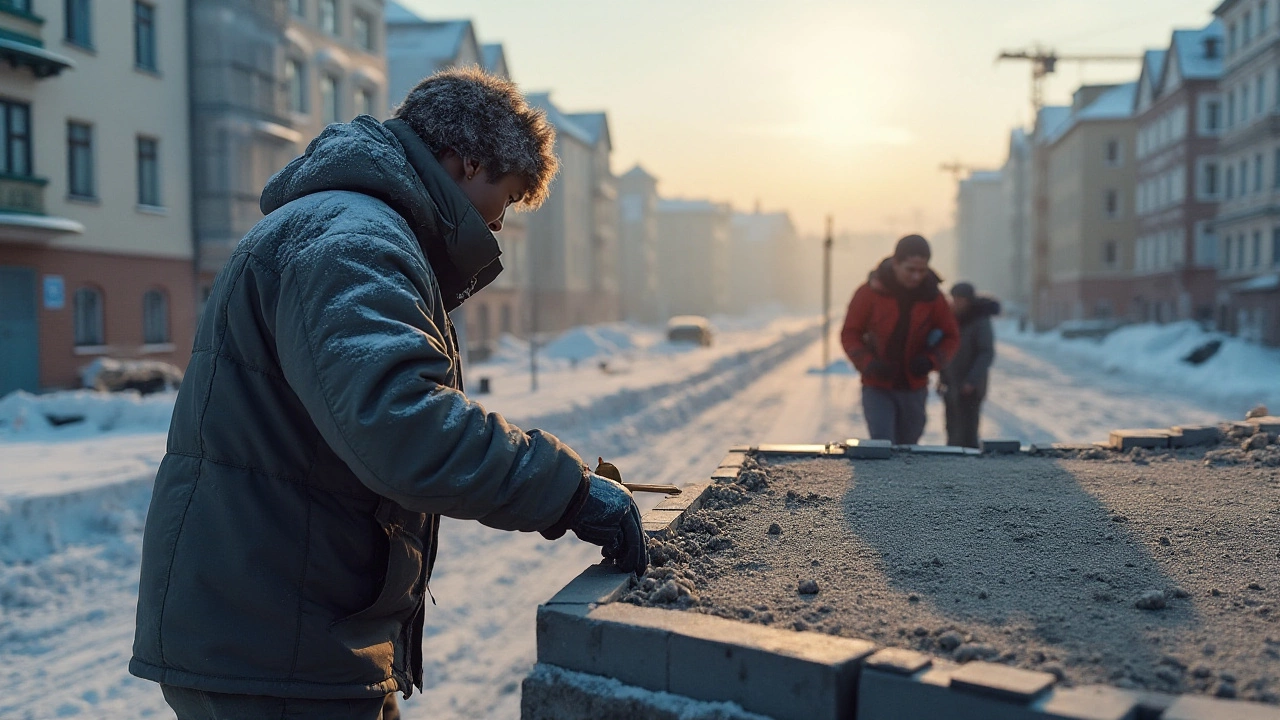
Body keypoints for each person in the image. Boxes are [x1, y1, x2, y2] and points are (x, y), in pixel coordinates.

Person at [129, 68, 648, 720]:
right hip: (275, 650)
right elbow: (401, 425)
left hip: (282, 633)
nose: (500, 222)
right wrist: (568, 491)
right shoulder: (353, 241)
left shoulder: (347, 227)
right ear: (466, 161)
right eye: (506, 198)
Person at [840, 234, 959, 445]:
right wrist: (868, 363)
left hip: (914, 387)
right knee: (883, 444)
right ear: (896, 263)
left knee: (909, 447)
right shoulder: (869, 293)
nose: (916, 276)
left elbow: (951, 337)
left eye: (922, 271)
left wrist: (931, 361)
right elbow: (850, 333)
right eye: (910, 269)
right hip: (877, 384)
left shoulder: (934, 297)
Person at [939, 282, 1000, 448]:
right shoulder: (951, 319)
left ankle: (969, 468)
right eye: (954, 298)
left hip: (971, 386)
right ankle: (953, 465)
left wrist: (971, 381)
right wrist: (942, 377)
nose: (956, 303)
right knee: (952, 427)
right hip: (952, 383)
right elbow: (946, 351)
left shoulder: (979, 320)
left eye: (961, 299)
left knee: (968, 430)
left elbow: (986, 353)